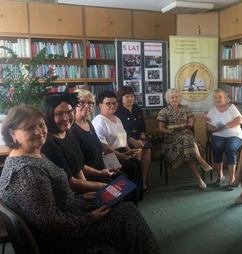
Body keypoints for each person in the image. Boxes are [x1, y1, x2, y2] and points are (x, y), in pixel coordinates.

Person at [0, 104, 160, 254]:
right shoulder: (27, 172)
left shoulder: (33, 155)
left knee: (126, 210)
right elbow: (49, 223)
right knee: (127, 217)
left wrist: (81, 197)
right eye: (29, 128)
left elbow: (49, 199)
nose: (39, 131)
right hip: (61, 240)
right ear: (12, 133)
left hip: (68, 215)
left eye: (41, 125)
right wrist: (90, 217)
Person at [40, 93, 107, 193]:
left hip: (81, 190)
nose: (67, 118)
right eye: (59, 113)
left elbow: (79, 168)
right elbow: (71, 183)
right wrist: (103, 186)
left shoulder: (68, 133)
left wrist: (91, 188)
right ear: (48, 115)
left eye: (69, 112)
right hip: (68, 196)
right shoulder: (48, 144)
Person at [92, 91, 143, 204]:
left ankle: (135, 198)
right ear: (100, 105)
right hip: (107, 156)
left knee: (138, 164)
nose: (112, 106)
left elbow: (123, 138)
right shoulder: (98, 121)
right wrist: (120, 155)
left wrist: (130, 151)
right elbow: (103, 146)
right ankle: (128, 201)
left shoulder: (117, 119)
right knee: (131, 167)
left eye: (114, 103)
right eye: (108, 103)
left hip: (121, 152)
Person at [157, 88, 212, 189]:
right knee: (189, 142)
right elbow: (161, 128)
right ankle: (201, 162)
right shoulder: (164, 111)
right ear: (168, 99)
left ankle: (199, 179)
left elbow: (190, 122)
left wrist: (186, 128)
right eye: (172, 97)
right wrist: (172, 132)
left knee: (187, 143)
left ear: (179, 98)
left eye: (176, 97)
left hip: (186, 134)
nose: (174, 99)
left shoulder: (186, 108)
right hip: (171, 138)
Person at [71, 89, 122, 183]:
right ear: (74, 105)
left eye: (90, 103)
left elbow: (100, 149)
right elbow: (77, 164)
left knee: (122, 175)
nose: (87, 106)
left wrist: (112, 165)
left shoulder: (89, 124)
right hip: (89, 175)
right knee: (114, 183)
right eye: (82, 102)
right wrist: (100, 172)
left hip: (101, 166)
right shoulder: (72, 128)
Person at [115, 86, 152, 194]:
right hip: (126, 141)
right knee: (138, 152)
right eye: (127, 96)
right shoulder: (118, 111)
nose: (130, 98)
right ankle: (138, 185)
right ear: (121, 98)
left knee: (147, 151)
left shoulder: (136, 108)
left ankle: (143, 181)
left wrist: (142, 133)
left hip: (139, 137)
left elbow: (142, 124)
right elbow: (120, 131)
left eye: (132, 96)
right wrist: (132, 140)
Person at [206, 88, 242, 187]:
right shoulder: (211, 111)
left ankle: (232, 179)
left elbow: (239, 120)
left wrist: (227, 126)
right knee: (217, 147)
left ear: (225, 98)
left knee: (230, 148)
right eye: (215, 98)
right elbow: (208, 127)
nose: (218, 99)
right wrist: (213, 129)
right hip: (218, 134)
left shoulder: (232, 107)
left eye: (220, 97)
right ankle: (220, 177)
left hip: (234, 134)